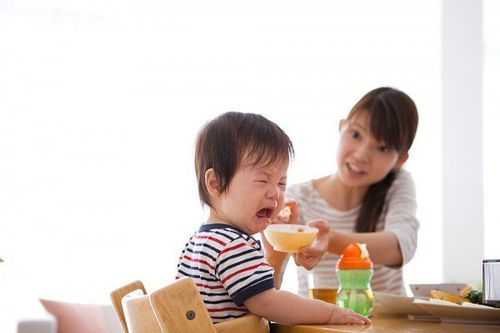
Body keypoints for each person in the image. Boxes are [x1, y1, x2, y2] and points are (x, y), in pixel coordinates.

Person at [176, 112, 371, 325]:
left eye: (281, 183)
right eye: (263, 180)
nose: (275, 194)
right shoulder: (232, 245)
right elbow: (270, 304)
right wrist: (333, 313)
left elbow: (260, 298)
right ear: (216, 183)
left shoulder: (198, 243)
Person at [267, 87, 419, 298]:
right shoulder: (298, 199)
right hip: (319, 326)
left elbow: (402, 246)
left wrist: (330, 240)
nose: (361, 155)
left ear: (400, 161)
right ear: (341, 127)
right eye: (356, 134)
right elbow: (269, 288)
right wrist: (275, 243)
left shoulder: (397, 184)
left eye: (382, 148)